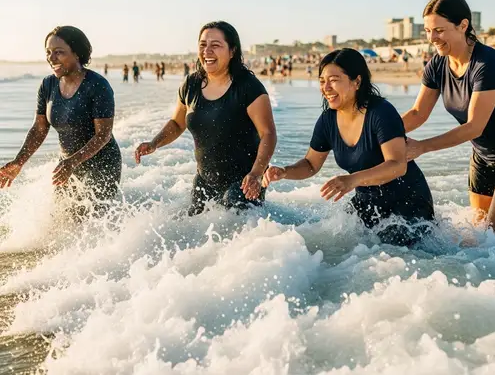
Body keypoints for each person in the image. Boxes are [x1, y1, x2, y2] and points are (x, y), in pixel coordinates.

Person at [263, 48, 434, 245]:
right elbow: (311, 164)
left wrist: (352, 180)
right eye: (322, 81)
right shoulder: (328, 120)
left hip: (408, 204)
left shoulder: (381, 113)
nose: (326, 87)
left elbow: (397, 165)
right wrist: (284, 172)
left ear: (357, 82)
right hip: (368, 202)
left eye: (334, 80)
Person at [135, 21, 277, 215]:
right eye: (203, 45)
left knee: (234, 232)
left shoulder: (248, 87)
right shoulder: (191, 84)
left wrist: (256, 174)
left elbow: (268, 134)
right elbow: (178, 123)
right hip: (205, 181)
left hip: (245, 182)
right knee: (195, 233)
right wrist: (154, 143)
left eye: (216, 45)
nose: (207, 51)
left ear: (232, 51)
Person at [402, 0, 495, 231]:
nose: (432, 38)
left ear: (463, 25)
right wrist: (375, 131)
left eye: (439, 30)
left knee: (494, 235)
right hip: (483, 156)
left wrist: (422, 147)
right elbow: (417, 113)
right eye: (427, 31)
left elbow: (474, 126)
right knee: (479, 235)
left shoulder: (487, 63)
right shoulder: (437, 65)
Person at [0, 26, 122, 217]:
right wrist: (19, 162)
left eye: (59, 52)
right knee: (61, 219)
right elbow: (39, 128)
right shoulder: (48, 85)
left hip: (102, 164)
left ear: (77, 53)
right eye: (48, 52)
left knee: (91, 223)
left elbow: (103, 135)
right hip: (66, 165)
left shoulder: (97, 85)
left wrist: (72, 162)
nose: (51, 58)